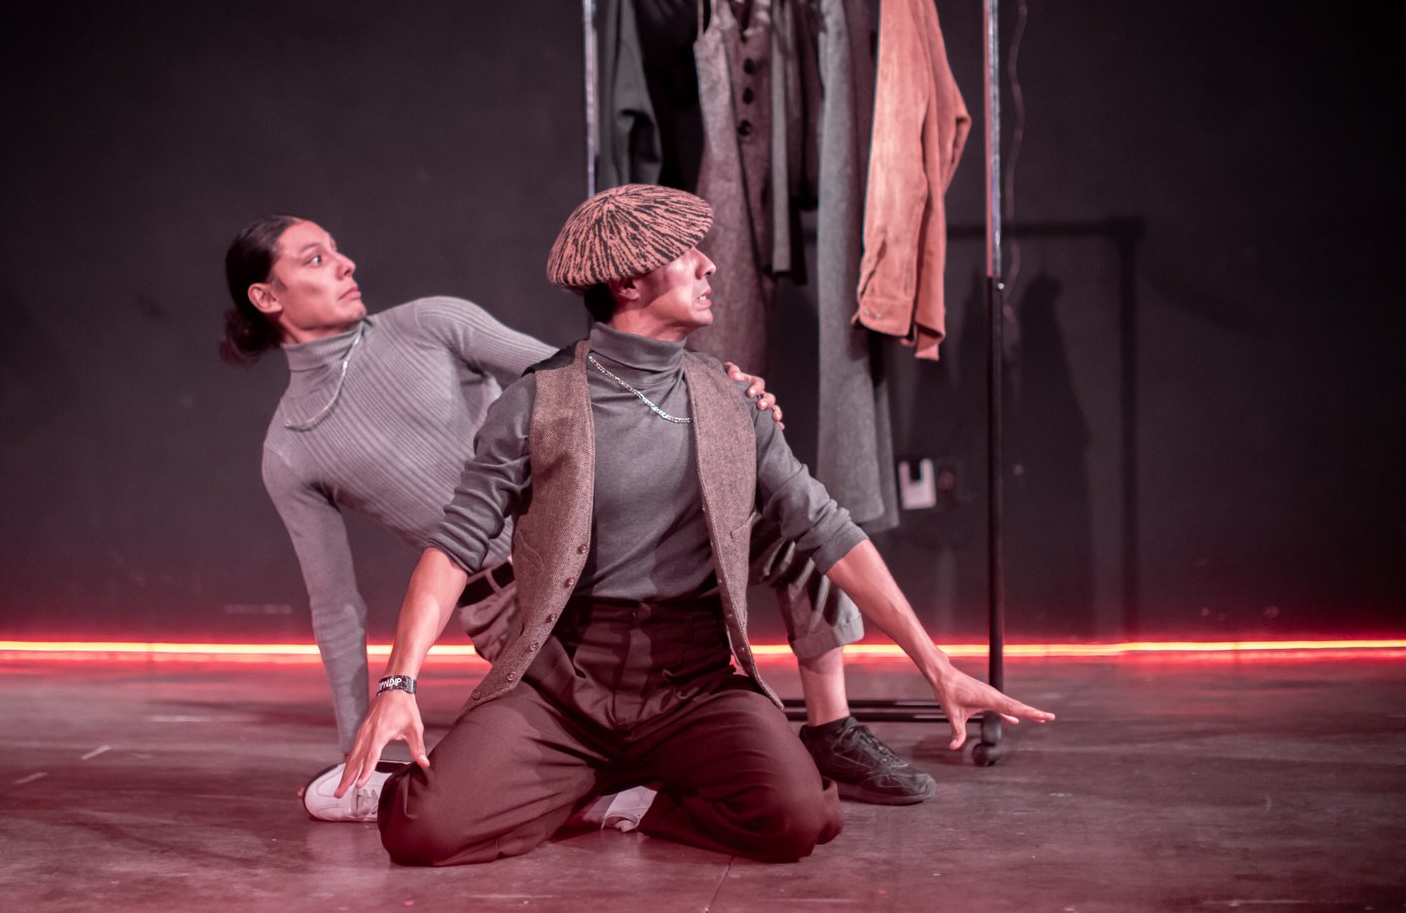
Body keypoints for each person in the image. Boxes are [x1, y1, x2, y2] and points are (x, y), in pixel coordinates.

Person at [337, 184, 1054, 865]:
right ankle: (575, 784)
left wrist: (936, 666)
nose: (710, 265)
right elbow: (453, 547)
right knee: (420, 828)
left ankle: (630, 803)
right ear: (628, 282)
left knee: (801, 817)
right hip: (561, 685)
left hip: (692, 682)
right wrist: (398, 683)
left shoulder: (733, 401)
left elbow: (827, 530)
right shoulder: (535, 403)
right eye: (686, 252)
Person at [220, 213, 933, 822]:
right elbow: (337, 608)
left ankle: (831, 727)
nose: (345, 262)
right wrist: (360, 747)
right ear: (266, 296)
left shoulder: (430, 322)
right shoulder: (291, 449)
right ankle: (611, 791)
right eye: (315, 259)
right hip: (511, 603)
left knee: (788, 513)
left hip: (605, 537)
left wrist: (713, 391)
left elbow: (591, 376)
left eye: (336, 249)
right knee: (488, 789)